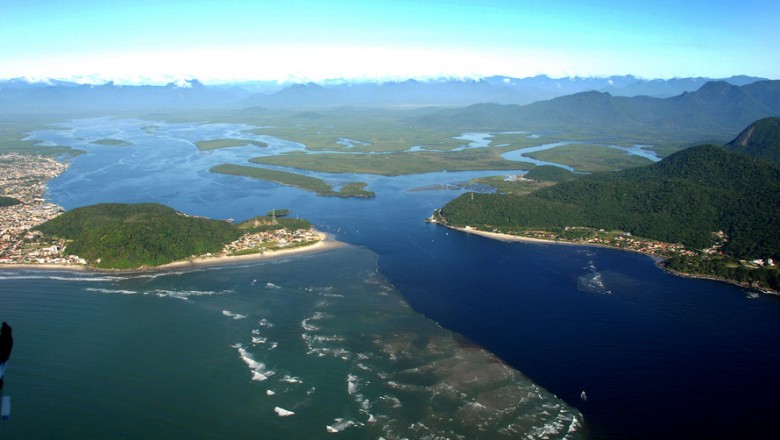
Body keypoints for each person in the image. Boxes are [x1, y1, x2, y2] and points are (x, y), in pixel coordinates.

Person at [0, 322, 12, 391]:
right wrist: (4, 324)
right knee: (1, 373)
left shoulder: (3, 339)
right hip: (5, 359)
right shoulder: (9, 338)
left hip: (2, 359)